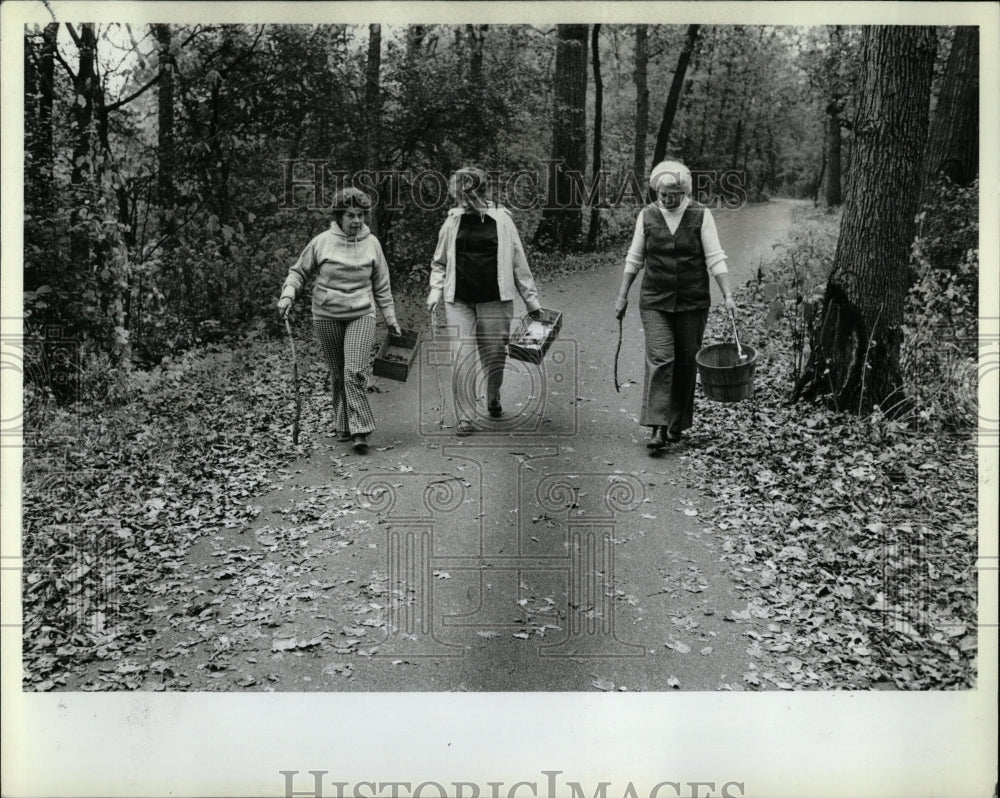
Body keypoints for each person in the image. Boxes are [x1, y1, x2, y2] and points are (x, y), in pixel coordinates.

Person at [614, 160, 738, 449]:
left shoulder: (700, 215)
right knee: (661, 358)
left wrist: (729, 296)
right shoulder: (647, 215)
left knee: (685, 363)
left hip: (693, 302)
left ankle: (676, 424)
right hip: (655, 300)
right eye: (663, 194)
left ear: (685, 193)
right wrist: (622, 295)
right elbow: (635, 257)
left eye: (674, 195)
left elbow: (715, 258)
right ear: (656, 191)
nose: (668, 200)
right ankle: (657, 426)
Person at [278, 187, 401, 454]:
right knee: (337, 372)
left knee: (354, 370)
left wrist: (390, 318)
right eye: (350, 215)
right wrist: (288, 295)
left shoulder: (372, 244)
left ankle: (360, 429)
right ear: (339, 216)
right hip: (326, 315)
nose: (356, 221)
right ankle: (342, 423)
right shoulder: (321, 242)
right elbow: (299, 272)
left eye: (361, 215)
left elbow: (381, 285)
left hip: (361, 313)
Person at [427, 167, 543, 436]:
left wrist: (532, 302)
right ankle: (465, 416)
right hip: (459, 301)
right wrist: (435, 290)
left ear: (482, 193)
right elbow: (439, 263)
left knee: (494, 358)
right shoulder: (452, 222)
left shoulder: (502, 220)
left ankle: (493, 397)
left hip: (495, 300)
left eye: (467, 197)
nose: (462, 204)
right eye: (459, 198)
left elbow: (518, 263)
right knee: (461, 356)